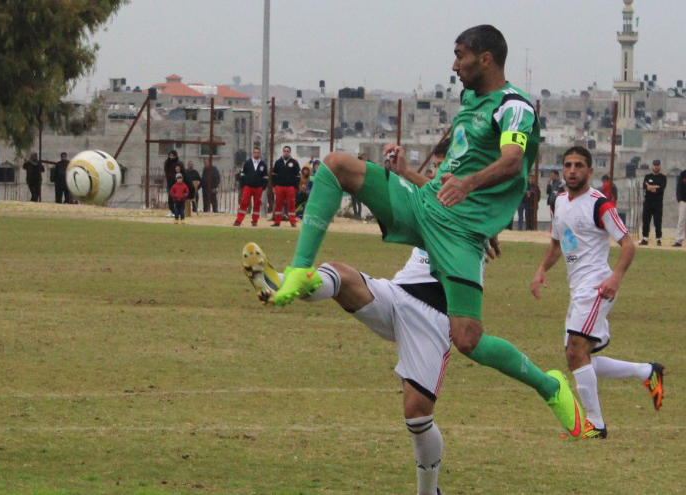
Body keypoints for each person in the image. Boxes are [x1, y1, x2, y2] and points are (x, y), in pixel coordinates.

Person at [271, 24, 583, 438]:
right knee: (336, 166)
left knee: (467, 338)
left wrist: (474, 195)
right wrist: (406, 175)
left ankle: (550, 385)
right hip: (425, 207)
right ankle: (298, 268)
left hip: (459, 234)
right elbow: (448, 182)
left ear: (485, 58)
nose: (454, 66)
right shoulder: (470, 99)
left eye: (461, 55)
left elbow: (512, 162)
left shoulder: (514, 107)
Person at [244, 242, 455, 495]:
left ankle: (428, 492)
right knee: (340, 274)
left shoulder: (476, 219)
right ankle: (279, 281)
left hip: (433, 315)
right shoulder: (433, 206)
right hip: (398, 294)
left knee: (417, 415)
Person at [531, 146, 664, 439]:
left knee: (576, 351)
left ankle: (595, 425)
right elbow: (556, 244)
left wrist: (615, 279)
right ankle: (647, 372)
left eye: (579, 165)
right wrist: (541, 270)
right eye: (568, 165)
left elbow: (627, 246)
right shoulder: (558, 202)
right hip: (578, 287)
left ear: (590, 171)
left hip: (598, 286)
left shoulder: (600, 204)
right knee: (580, 356)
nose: (572, 170)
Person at [234, 147, 268, 226]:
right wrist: (243, 185)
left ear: (260, 154)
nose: (256, 154)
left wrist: (263, 187)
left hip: (258, 188)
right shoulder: (247, 163)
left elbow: (265, 177)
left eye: (258, 152)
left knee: (257, 204)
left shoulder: (263, 164)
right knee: (244, 203)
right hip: (248, 187)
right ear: (253, 153)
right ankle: (239, 220)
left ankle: (255, 221)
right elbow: (242, 174)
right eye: (255, 152)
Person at [272, 146, 301, 227]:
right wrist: (274, 186)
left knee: (291, 204)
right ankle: (277, 222)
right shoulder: (278, 162)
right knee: (278, 204)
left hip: (290, 187)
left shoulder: (294, 163)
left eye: (288, 151)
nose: (286, 152)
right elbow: (274, 175)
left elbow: (298, 176)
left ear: (290, 152)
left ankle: (292, 222)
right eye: (285, 151)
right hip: (279, 187)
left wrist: (295, 187)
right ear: (282, 152)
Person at [640, 159, 666, 246]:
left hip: (658, 203)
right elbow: (645, 187)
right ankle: (645, 238)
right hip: (648, 202)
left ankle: (658, 239)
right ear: (652, 166)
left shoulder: (663, 177)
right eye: (655, 165)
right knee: (646, 220)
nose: (656, 166)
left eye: (657, 165)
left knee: (657, 221)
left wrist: (650, 187)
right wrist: (654, 187)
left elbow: (661, 188)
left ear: (660, 166)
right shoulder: (647, 176)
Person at [163, 151, 184, 216]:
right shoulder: (167, 163)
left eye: (172, 155)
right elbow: (166, 173)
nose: (171, 157)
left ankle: (178, 211)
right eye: (170, 155)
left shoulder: (179, 163)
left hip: (177, 183)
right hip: (170, 183)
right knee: (171, 197)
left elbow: (181, 173)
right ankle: (172, 211)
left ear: (175, 156)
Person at [676, 167, 686, 247]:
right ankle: (679, 240)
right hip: (683, 201)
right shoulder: (683, 174)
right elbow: (679, 186)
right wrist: (679, 198)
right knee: (681, 221)